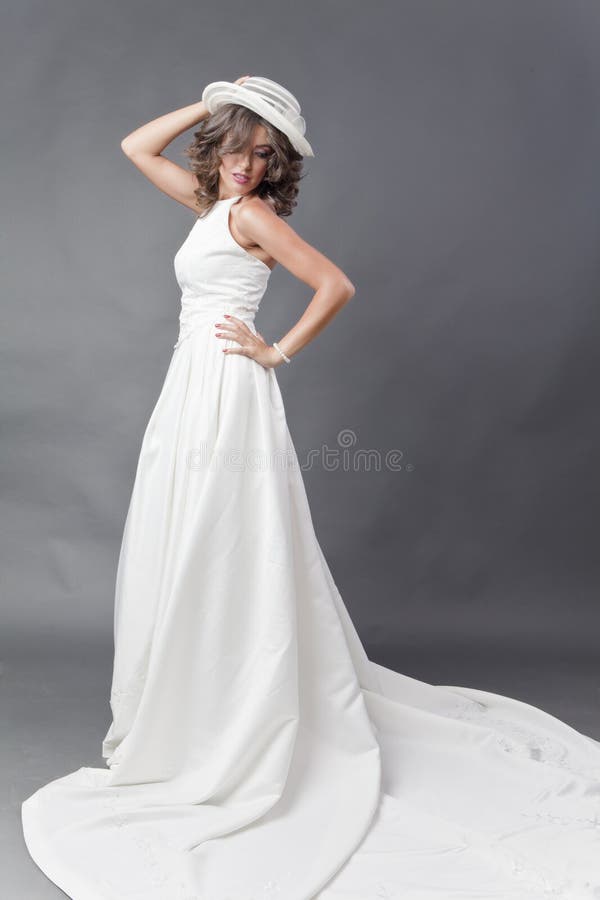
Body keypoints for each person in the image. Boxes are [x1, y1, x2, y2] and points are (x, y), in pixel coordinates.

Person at [21, 75, 600, 900]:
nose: (249, 168)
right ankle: (197, 709)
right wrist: (211, 97)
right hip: (188, 386)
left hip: (227, 388)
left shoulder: (251, 216)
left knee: (225, 537)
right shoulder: (207, 203)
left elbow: (335, 284)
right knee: (185, 536)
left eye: (265, 155)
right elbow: (133, 147)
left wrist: (275, 350)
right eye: (240, 148)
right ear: (219, 145)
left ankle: (236, 719)